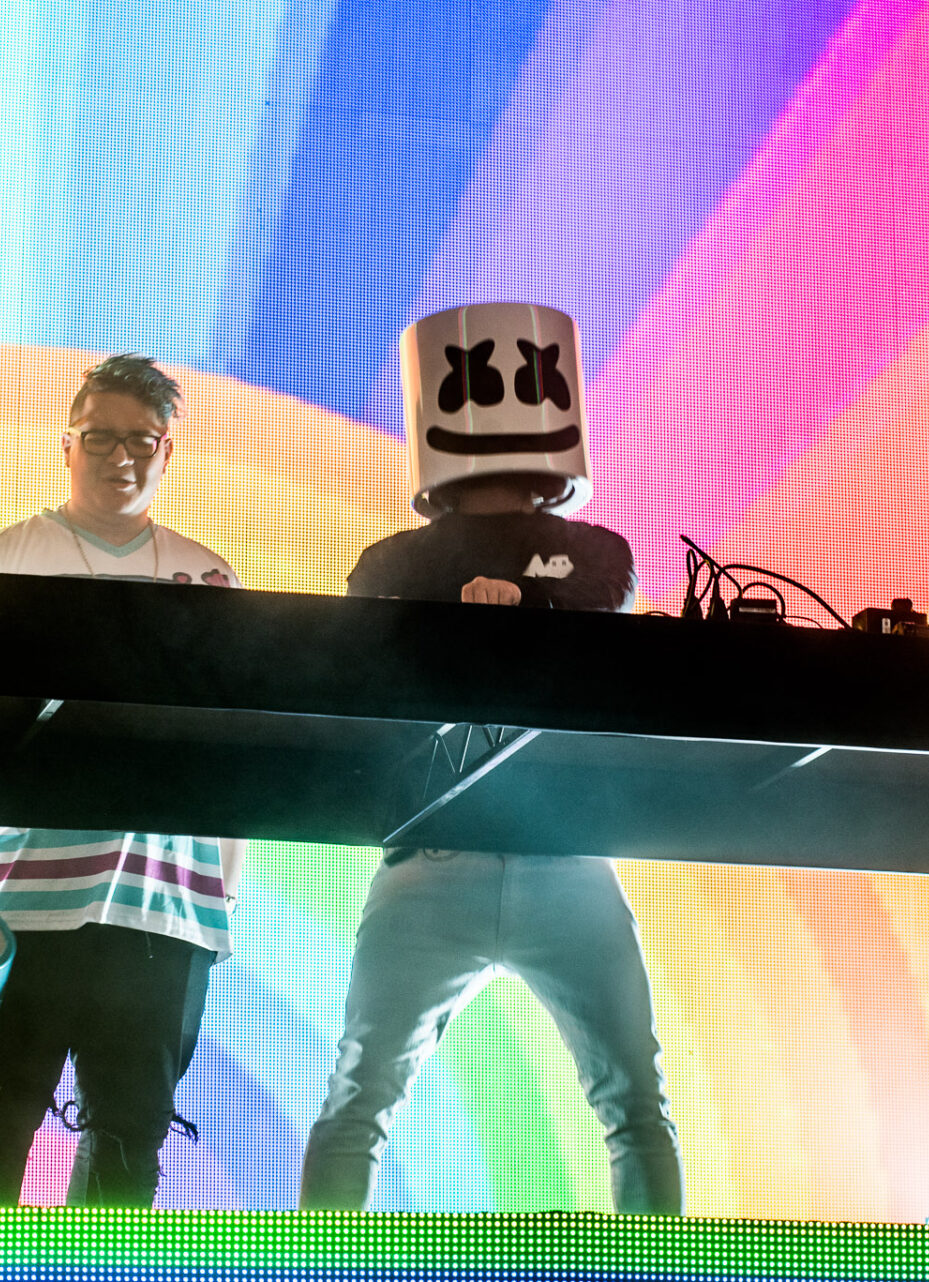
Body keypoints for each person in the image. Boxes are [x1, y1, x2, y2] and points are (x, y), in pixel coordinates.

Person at [299, 302, 682, 1215]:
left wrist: (519, 617)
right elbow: (368, 678)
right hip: (432, 860)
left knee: (634, 1100)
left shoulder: (598, 554)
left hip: (565, 859)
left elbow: (600, 636)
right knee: (359, 1099)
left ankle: (659, 1275)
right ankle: (319, 1272)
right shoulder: (390, 564)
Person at [0, 353, 243, 1207]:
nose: (120, 456)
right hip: (20, 897)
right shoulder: (4, 558)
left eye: (142, 440)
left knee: (132, 1134)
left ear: (167, 451)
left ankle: (103, 1270)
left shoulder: (209, 576)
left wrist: (224, 895)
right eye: (100, 437)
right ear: (66, 445)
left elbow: (237, 746)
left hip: (164, 907)